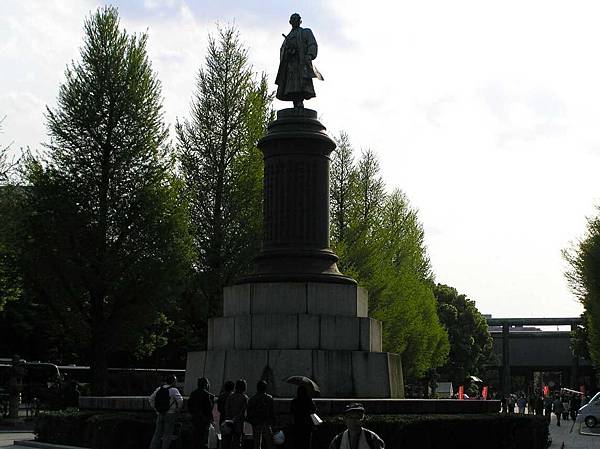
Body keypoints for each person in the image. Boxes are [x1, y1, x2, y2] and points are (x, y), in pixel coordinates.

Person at [275, 13, 323, 108]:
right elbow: (283, 50)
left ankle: (300, 102)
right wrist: (288, 51)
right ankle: (295, 102)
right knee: (291, 85)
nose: (295, 21)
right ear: (290, 22)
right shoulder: (288, 37)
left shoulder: (306, 32)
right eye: (293, 19)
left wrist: (310, 54)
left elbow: (312, 43)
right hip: (291, 64)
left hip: (301, 63)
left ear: (300, 21)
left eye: (296, 19)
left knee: (301, 84)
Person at [148, 375, 183, 449]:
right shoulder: (174, 390)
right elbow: (180, 400)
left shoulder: (159, 389)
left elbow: (151, 399)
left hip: (160, 414)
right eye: (175, 381)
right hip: (170, 414)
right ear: (173, 381)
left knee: (157, 434)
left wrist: (156, 409)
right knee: (167, 434)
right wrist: (178, 409)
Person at [187, 377, 215, 449]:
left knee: (194, 438)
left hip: (194, 419)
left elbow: (189, 406)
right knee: (202, 439)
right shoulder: (207, 395)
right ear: (206, 385)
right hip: (204, 420)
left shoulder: (193, 393)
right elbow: (209, 409)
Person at [247, 380, 275, 449]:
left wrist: (252, 421)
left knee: (257, 443)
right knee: (270, 442)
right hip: (266, 422)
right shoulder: (269, 398)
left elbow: (249, 412)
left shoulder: (252, 399)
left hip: (256, 422)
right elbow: (272, 411)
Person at [225, 379, 249, 449]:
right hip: (239, 422)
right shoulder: (244, 398)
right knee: (237, 440)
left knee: (228, 440)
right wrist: (237, 418)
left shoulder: (230, 396)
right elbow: (243, 410)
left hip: (229, 420)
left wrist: (228, 417)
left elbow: (226, 408)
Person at [218, 381, 235, 449]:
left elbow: (219, 409)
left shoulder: (221, 396)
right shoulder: (233, 396)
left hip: (223, 418)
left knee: (224, 438)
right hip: (231, 419)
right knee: (231, 439)